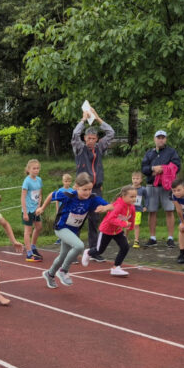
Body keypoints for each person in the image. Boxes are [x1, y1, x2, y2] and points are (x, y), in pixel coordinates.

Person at [35, 172, 114, 288]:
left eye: (90, 189)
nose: (87, 192)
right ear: (76, 187)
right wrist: (42, 208)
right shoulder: (68, 195)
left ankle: (50, 274)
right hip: (61, 227)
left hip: (73, 231)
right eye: (84, 189)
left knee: (63, 256)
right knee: (79, 246)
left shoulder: (92, 199)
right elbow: (52, 195)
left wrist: (105, 207)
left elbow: (112, 206)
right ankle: (63, 271)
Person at [71, 105, 114, 259]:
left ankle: (93, 251)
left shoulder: (100, 148)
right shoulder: (79, 148)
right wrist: (83, 119)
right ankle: (73, 250)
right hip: (82, 190)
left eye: (94, 138)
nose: (91, 141)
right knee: (77, 219)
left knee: (95, 220)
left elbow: (111, 133)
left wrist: (97, 117)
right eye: (88, 138)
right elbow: (75, 134)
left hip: (96, 189)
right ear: (85, 138)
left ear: (97, 139)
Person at [81, 185, 137, 277]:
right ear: (123, 196)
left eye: (135, 196)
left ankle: (116, 268)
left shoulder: (131, 207)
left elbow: (132, 218)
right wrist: (124, 224)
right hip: (106, 230)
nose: (134, 199)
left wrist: (130, 227)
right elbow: (111, 219)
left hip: (117, 231)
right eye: (131, 197)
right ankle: (88, 252)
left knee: (125, 247)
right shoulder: (118, 206)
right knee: (99, 250)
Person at [141, 130, 182, 248]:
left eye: (163, 137)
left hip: (167, 186)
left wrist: (163, 169)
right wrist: (153, 168)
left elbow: (177, 165)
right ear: (154, 139)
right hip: (151, 185)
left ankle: (170, 238)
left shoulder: (171, 152)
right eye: (158, 137)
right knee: (152, 211)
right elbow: (144, 168)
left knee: (169, 210)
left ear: (166, 139)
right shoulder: (149, 153)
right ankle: (152, 238)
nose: (161, 139)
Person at [20, 159, 44, 262]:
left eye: (38, 168)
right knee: (28, 231)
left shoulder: (39, 180)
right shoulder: (27, 181)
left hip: (36, 209)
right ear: (29, 169)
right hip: (28, 210)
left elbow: (40, 194)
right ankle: (29, 253)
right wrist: (25, 212)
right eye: (34, 168)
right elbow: (23, 197)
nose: (36, 170)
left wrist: (39, 207)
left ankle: (33, 247)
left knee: (39, 227)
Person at [129, 172, 149, 248]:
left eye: (137, 178)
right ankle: (125, 238)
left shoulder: (143, 189)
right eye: (133, 178)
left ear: (141, 180)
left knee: (136, 224)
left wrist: (145, 206)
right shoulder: (129, 188)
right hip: (128, 210)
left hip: (138, 210)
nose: (135, 180)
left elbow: (147, 198)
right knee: (127, 225)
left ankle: (136, 240)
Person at [53, 173, 73, 245]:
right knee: (61, 223)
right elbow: (57, 201)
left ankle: (68, 238)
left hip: (69, 210)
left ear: (70, 182)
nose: (67, 183)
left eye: (68, 181)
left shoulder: (72, 190)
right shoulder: (60, 190)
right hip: (62, 210)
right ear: (63, 181)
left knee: (68, 224)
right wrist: (57, 210)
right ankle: (59, 238)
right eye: (65, 181)